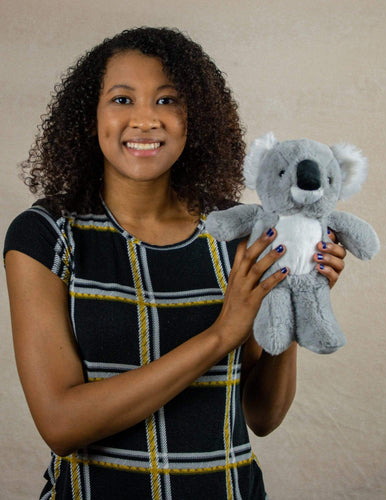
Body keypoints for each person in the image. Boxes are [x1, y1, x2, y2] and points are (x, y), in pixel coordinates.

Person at [4, 27, 347, 499]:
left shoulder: (235, 232)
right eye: (122, 100)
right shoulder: (48, 234)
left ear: (195, 118)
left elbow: (263, 415)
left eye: (167, 101)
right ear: (90, 116)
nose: (146, 120)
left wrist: (290, 295)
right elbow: (61, 424)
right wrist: (221, 336)